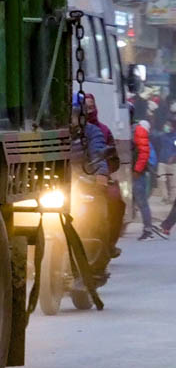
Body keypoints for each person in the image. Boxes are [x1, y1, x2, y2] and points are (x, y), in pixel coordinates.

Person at [81, 93, 125, 254]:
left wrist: (102, 174)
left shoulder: (101, 131)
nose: (89, 110)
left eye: (91, 106)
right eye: (85, 107)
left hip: (95, 180)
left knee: (115, 203)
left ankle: (108, 244)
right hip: (70, 178)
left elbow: (107, 157)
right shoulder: (67, 132)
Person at [134, 110, 165, 240]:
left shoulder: (139, 131)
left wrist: (136, 170)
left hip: (138, 173)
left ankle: (148, 229)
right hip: (140, 172)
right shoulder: (141, 132)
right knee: (141, 202)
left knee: (142, 202)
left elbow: (143, 153)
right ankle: (148, 228)